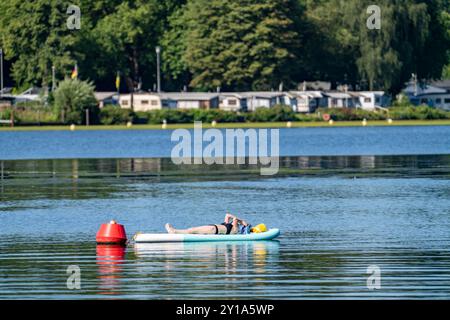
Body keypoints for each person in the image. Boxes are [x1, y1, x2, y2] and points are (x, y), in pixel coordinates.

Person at [165, 213, 251, 235]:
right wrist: (243, 223)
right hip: (212, 227)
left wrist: (243, 222)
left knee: (193, 230)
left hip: (213, 229)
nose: (233, 222)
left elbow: (235, 219)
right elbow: (227, 215)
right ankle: (175, 231)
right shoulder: (229, 225)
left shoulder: (235, 230)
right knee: (193, 229)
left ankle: (174, 231)